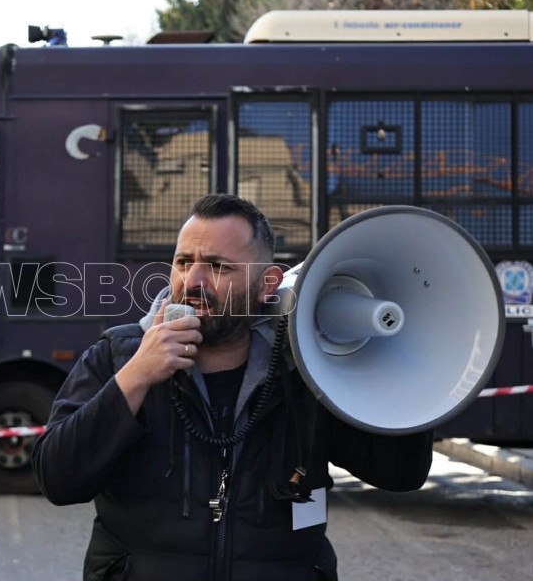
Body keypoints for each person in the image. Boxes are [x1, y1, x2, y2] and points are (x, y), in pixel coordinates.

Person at [31, 193, 433, 581]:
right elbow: (58, 479)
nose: (193, 280)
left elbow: (399, 473)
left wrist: (389, 375)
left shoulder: (304, 371)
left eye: (218, 267)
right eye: (183, 262)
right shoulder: (117, 356)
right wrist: (136, 377)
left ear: (266, 283)